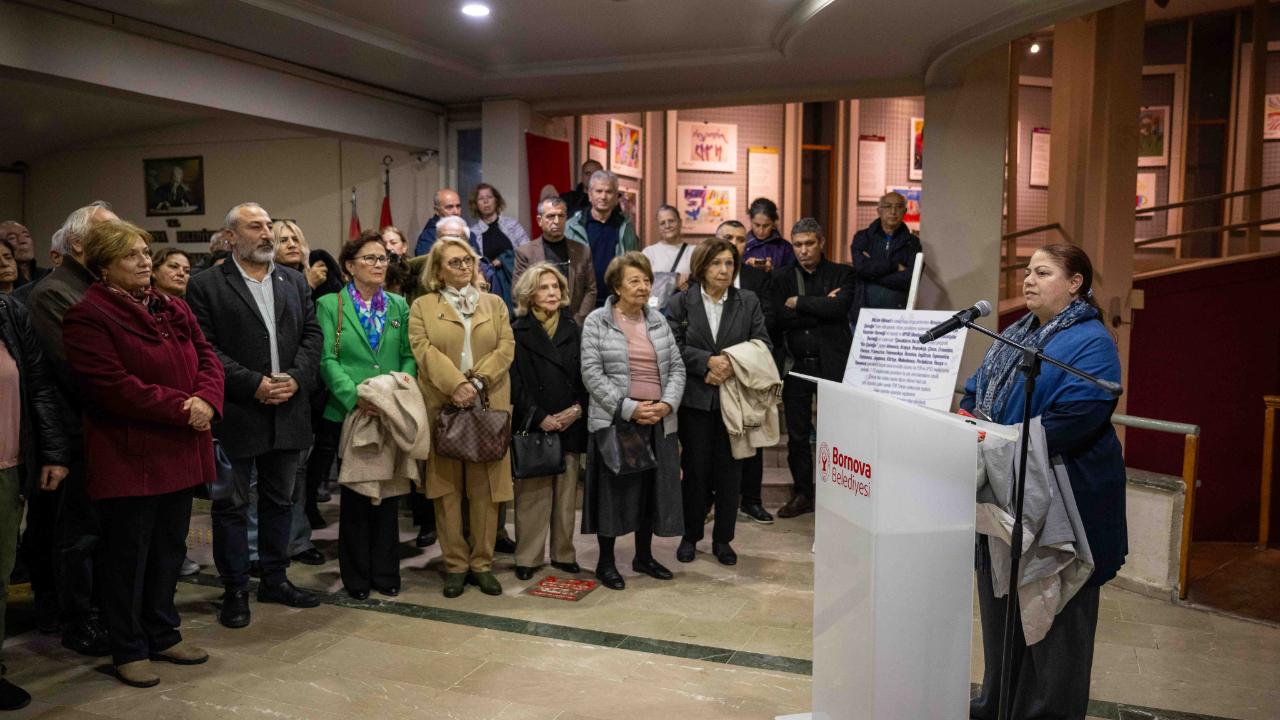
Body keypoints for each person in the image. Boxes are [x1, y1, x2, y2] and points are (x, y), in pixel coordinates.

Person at [965, 244, 1125, 720]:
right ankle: (999, 706)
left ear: (1075, 283)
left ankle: (1046, 712)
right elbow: (975, 390)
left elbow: (1081, 414)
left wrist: (1001, 443)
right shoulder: (1017, 332)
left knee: (1056, 626)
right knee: (1003, 617)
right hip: (1004, 493)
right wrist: (975, 424)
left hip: (1065, 498)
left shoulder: (1092, 341)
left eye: (1042, 272)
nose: (1028, 280)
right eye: (1027, 271)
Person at [62, 220, 224, 688]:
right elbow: (112, 387)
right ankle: (128, 647)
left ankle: (163, 631)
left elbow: (208, 356)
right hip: (132, 454)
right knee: (128, 557)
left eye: (144, 253)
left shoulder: (170, 305)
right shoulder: (88, 315)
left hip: (182, 447)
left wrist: (207, 399)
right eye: (130, 255)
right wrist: (183, 407)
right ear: (103, 266)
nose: (143, 261)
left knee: (170, 549)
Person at [186, 202, 323, 629]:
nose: (266, 233)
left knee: (281, 501)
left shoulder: (293, 280)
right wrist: (254, 384)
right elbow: (205, 348)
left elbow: (312, 335)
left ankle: (276, 579)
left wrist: (295, 379)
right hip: (238, 411)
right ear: (231, 237)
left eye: (268, 225)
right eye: (255, 226)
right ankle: (235, 589)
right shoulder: (206, 285)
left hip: (289, 408)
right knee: (231, 507)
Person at [25, 200, 120, 656]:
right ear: (79, 244)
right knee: (76, 534)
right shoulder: (56, 290)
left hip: (106, 426)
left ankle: (99, 610)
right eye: (110, 232)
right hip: (76, 431)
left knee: (100, 531)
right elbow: (80, 366)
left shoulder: (100, 286)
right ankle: (78, 619)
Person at [407, 236, 515, 598]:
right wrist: (456, 384)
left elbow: (506, 347)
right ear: (438, 271)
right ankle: (455, 565)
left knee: (485, 490)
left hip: (488, 404)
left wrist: (478, 382)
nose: (465, 266)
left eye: (468, 260)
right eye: (455, 262)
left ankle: (482, 564)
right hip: (444, 405)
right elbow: (423, 350)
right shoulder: (422, 306)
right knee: (447, 490)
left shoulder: (494, 303)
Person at [316, 232, 416, 600]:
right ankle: (357, 576)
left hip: (388, 409)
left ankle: (386, 572)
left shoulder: (398, 306)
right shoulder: (331, 304)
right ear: (349, 266)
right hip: (348, 410)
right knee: (356, 496)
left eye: (383, 258)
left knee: (388, 494)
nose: (379, 264)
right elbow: (327, 358)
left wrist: (395, 391)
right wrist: (355, 395)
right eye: (370, 258)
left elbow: (408, 356)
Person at [580, 252, 685, 590]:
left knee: (651, 492)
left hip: (657, 419)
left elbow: (677, 367)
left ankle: (644, 556)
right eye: (635, 281)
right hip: (617, 420)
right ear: (617, 286)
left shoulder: (658, 320)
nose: (643, 287)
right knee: (613, 494)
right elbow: (592, 373)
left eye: (647, 280)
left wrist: (666, 404)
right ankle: (606, 562)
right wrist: (629, 408)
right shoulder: (597, 321)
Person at [667, 237, 771, 566]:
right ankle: (690, 535)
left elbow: (762, 344)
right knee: (694, 472)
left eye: (729, 263)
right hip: (695, 401)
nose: (724, 270)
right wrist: (706, 363)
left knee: (730, 472)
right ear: (702, 267)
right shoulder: (681, 302)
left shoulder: (747, 301)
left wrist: (728, 364)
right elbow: (671, 346)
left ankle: (723, 539)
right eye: (716, 263)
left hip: (733, 399)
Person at [0, 251, 70, 710]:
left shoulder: (9, 310)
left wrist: (52, 452)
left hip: (6, 468)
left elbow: (40, 385)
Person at [770, 218, 854, 519]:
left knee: (838, 434)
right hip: (796, 365)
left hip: (831, 364)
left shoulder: (842, 273)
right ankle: (803, 493)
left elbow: (839, 308)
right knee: (797, 436)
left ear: (821, 243)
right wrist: (820, 306)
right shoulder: (781, 278)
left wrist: (799, 302)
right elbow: (777, 318)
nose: (803, 250)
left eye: (809, 243)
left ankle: (838, 495)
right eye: (797, 244)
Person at [509, 263, 587, 581]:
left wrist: (577, 409)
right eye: (544, 287)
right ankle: (528, 557)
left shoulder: (573, 328)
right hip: (535, 422)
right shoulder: (518, 331)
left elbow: (585, 374)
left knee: (566, 495)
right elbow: (515, 382)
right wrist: (540, 417)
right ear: (530, 294)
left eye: (556, 287)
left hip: (570, 420)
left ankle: (563, 553)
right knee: (533, 495)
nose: (553, 292)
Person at [715, 220, 776, 524]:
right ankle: (712, 500)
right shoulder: (701, 277)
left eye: (740, 239)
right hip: (714, 370)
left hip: (747, 368)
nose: (734, 243)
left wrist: (738, 357)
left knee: (753, 435)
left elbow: (768, 319)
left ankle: (751, 500)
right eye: (728, 237)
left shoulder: (757, 278)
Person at [148, 246, 203, 578]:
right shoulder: (143, 307)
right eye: (173, 266)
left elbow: (205, 356)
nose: (182, 273)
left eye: (187, 269)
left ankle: (173, 558)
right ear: (154, 270)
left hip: (192, 412)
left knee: (179, 505)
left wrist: (205, 397)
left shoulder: (184, 308)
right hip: (161, 414)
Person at [515, 197, 597, 327]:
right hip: (538, 325)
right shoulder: (526, 253)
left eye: (561, 216)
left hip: (574, 324)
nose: (557, 221)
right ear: (539, 220)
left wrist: (578, 321)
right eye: (551, 216)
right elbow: (519, 292)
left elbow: (591, 290)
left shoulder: (583, 251)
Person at [564, 170, 640, 308]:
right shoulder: (572, 227)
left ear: (616, 197)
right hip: (581, 303)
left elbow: (634, 264)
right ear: (590, 195)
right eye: (599, 191)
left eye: (609, 192)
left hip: (617, 302)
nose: (603, 197)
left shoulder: (625, 227)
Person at [849, 192, 922, 326]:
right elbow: (861, 268)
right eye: (888, 206)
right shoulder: (862, 237)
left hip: (897, 316)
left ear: (905, 211)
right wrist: (894, 266)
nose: (893, 212)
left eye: (898, 207)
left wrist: (871, 275)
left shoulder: (913, 243)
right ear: (879, 211)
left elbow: (910, 279)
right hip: (863, 313)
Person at [469, 183, 530, 310]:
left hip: (517, 283)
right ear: (476, 204)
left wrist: (504, 259)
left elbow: (527, 252)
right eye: (481, 199)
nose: (486, 201)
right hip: (489, 288)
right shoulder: (472, 233)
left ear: (496, 200)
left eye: (489, 197)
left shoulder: (512, 225)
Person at [642, 204, 695, 299]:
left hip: (685, 305)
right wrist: (675, 279)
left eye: (671, 221)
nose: (667, 226)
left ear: (680, 222)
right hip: (657, 306)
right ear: (658, 227)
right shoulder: (649, 253)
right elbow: (642, 282)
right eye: (662, 223)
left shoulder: (693, 251)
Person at [414, 188, 483, 258]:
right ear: (437, 211)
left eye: (458, 206)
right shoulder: (428, 236)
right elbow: (427, 262)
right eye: (449, 207)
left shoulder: (469, 234)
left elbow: (480, 261)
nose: (456, 212)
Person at [741, 198, 795, 275]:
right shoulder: (742, 245)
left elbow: (791, 276)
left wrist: (773, 270)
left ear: (773, 223)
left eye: (766, 226)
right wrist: (745, 267)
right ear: (750, 221)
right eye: (757, 225)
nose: (761, 231)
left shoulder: (785, 248)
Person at [0, 221, 50, 289]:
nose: (23, 241)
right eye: (12, 238)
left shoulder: (47, 275)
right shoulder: (6, 280)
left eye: (27, 236)